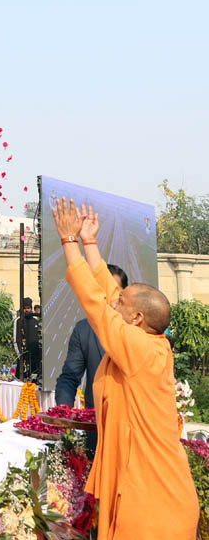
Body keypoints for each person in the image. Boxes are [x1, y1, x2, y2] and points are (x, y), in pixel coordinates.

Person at [52, 197, 197, 539]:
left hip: (156, 510)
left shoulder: (138, 348)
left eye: (121, 303)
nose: (113, 301)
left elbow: (95, 301)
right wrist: (90, 243)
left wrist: (68, 242)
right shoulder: (145, 339)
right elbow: (108, 293)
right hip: (151, 499)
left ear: (136, 318)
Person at [55, 265, 128, 409]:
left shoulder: (138, 326)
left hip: (132, 420)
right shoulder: (83, 330)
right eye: (100, 292)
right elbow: (69, 377)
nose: (107, 299)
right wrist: (63, 412)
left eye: (113, 292)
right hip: (96, 420)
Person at [15, 297, 41, 380]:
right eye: (25, 308)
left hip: (35, 359)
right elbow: (15, 340)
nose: (26, 310)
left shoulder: (36, 322)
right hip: (23, 358)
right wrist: (20, 355)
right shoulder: (18, 321)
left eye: (28, 308)